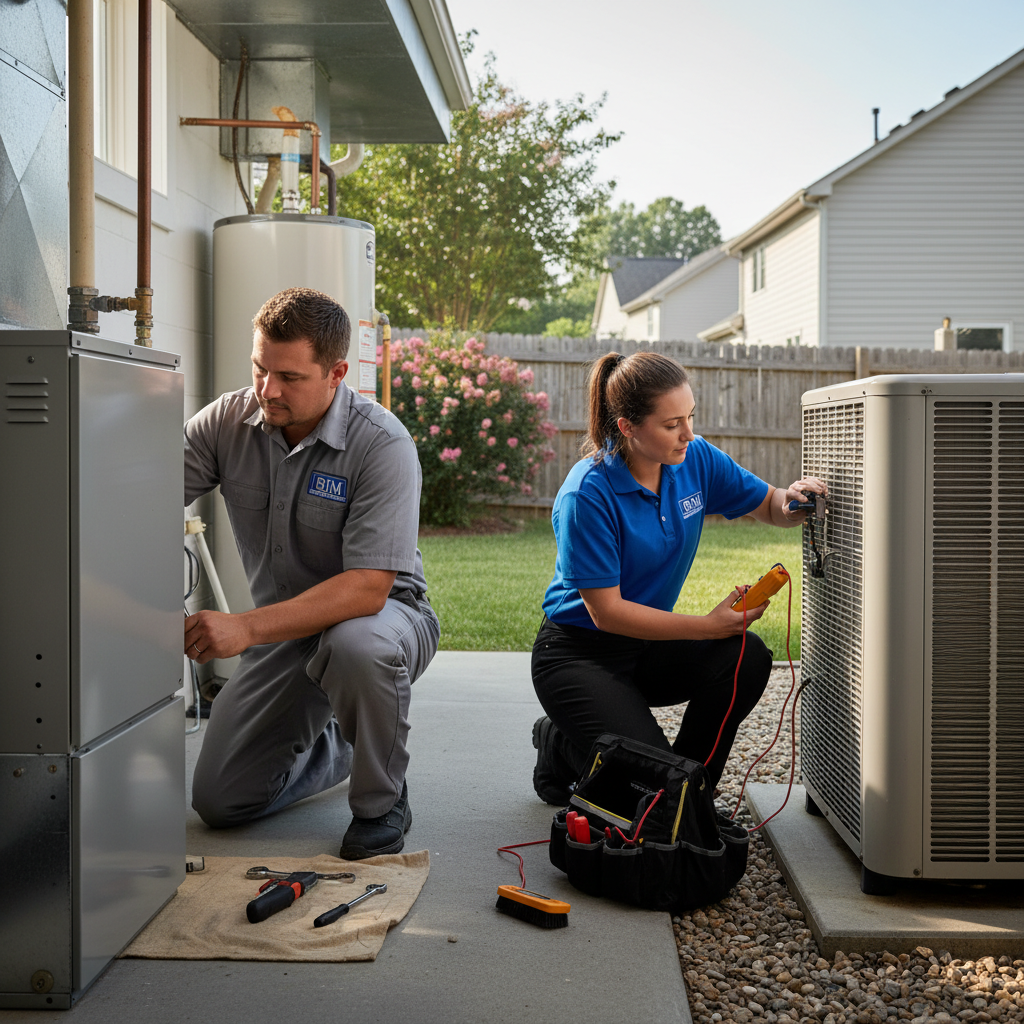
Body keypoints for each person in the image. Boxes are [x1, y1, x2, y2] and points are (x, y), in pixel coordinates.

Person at [183, 287, 439, 859]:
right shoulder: (226, 423)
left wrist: (244, 628)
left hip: (385, 618)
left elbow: (368, 588)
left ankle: (382, 800)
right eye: (260, 368)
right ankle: (345, 747)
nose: (267, 390)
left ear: (336, 373)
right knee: (221, 801)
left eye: (290, 377)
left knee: (355, 646)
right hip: (288, 631)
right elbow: (142, 492)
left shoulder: (382, 444)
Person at [531, 351, 825, 804]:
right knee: (649, 791)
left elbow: (769, 503)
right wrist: (708, 626)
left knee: (746, 657)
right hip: (579, 654)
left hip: (647, 647)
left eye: (690, 417)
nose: (688, 433)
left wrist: (793, 501)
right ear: (627, 427)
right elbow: (606, 613)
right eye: (672, 425)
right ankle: (561, 743)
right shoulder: (586, 494)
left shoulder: (695, 458)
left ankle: (690, 797)